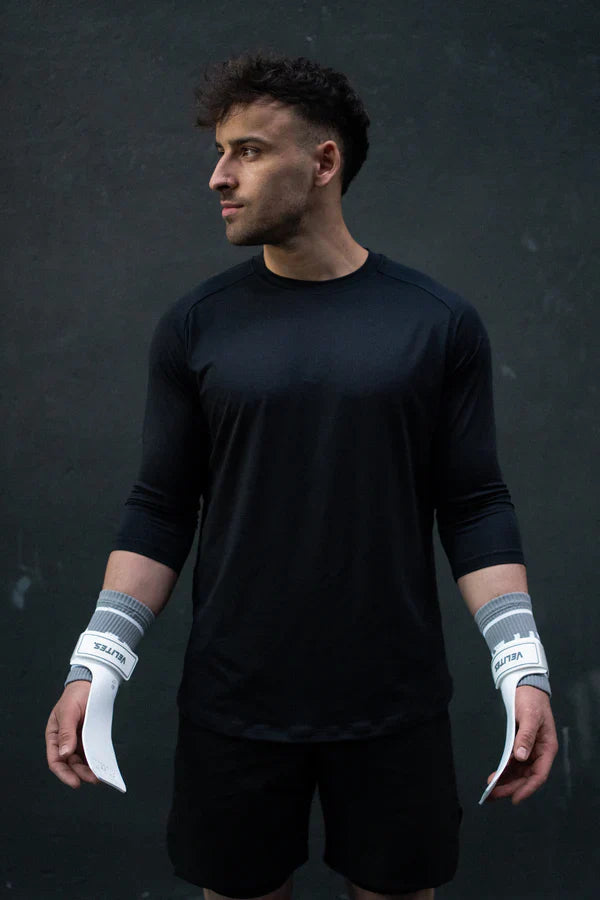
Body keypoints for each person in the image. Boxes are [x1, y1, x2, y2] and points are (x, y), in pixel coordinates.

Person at [45, 49, 558, 900]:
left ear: (323, 163)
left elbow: (473, 506)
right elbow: (161, 507)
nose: (218, 176)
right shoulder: (195, 326)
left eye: (247, 151)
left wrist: (522, 666)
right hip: (235, 703)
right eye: (220, 152)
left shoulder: (437, 324)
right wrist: (94, 661)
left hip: (393, 703)